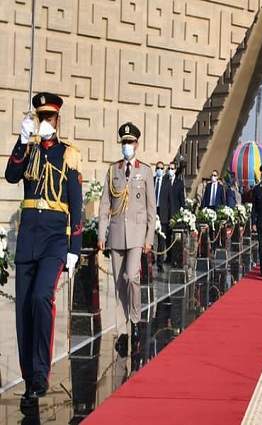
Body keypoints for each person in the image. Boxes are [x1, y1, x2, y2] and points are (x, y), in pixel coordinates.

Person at [5, 92, 83, 406]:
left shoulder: (68, 154)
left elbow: (76, 203)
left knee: (41, 297)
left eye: (49, 118)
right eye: (40, 118)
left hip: (54, 240)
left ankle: (40, 374)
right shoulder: (30, 151)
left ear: (57, 120)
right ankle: (29, 377)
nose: (45, 122)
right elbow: (11, 175)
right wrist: (22, 141)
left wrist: (75, 247)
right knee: (24, 308)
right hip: (28, 238)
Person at [98, 122, 155, 358]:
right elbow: (104, 205)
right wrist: (101, 234)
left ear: (137, 144)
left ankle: (135, 319)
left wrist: (149, 238)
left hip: (137, 235)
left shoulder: (145, 171)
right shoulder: (114, 171)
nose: (127, 146)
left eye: (130, 142)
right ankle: (122, 331)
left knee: (132, 277)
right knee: (119, 283)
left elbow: (151, 209)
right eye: (124, 142)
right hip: (116, 234)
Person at [158, 161, 185, 269]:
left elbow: (181, 198)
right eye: (169, 168)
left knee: (173, 238)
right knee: (164, 238)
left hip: (174, 214)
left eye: (172, 168)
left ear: (175, 170)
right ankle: (163, 259)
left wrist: (182, 211)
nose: (170, 170)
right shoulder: (164, 180)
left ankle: (173, 258)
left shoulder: (179, 182)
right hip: (164, 214)